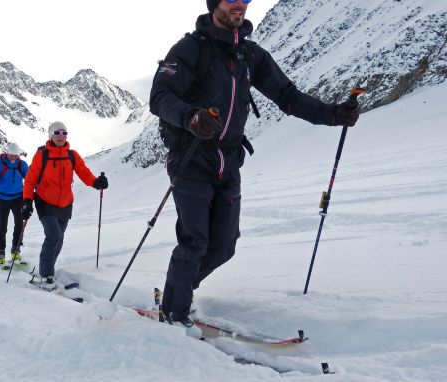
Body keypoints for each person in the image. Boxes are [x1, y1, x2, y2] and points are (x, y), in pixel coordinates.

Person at [149, 0, 361, 337]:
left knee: (224, 245)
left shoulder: (250, 55)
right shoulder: (190, 49)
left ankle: (177, 292)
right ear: (215, 4)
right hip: (190, 158)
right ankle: (175, 314)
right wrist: (191, 117)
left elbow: (288, 96)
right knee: (195, 241)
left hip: (229, 160)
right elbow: (160, 96)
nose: (241, 5)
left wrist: (333, 115)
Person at [21, 121, 108, 290]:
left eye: (64, 133)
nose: (61, 136)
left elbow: (83, 172)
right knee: (53, 236)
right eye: (57, 133)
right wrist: (27, 201)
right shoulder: (42, 155)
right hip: (45, 202)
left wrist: (97, 182)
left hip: (66, 203)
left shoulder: (72, 155)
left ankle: (49, 272)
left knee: (59, 239)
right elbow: (30, 179)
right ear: (50, 135)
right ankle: (45, 276)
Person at [0, 142, 29, 266]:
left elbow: (29, 178)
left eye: (15, 155)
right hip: (3, 199)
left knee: (19, 224)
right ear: (7, 153)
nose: (13, 157)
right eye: (11, 155)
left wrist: (35, 186)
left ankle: (16, 249)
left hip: (18, 198)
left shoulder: (22, 165)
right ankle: (0, 252)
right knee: (3, 226)